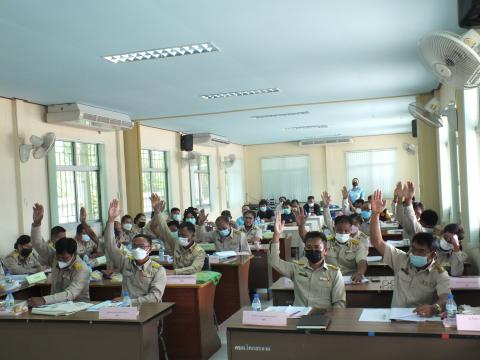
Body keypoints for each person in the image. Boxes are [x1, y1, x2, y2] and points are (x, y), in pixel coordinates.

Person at [370, 190, 450, 317]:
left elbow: (445, 298)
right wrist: (375, 214)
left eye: (421, 251)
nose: (415, 253)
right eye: (413, 249)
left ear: (433, 255)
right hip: (396, 317)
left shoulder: (439, 274)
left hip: (421, 319)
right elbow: (377, 242)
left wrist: (434, 308)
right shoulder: (401, 258)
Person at [269, 214, 345, 308]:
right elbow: (274, 261)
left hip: (323, 317)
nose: (312, 250)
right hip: (298, 316)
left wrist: (330, 319)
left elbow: (339, 303)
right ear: (305, 249)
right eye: (309, 247)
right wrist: (276, 235)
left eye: (317, 247)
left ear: (325, 251)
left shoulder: (334, 273)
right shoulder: (296, 268)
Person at [104, 199, 167, 305]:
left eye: (142, 246)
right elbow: (110, 246)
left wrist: (129, 302)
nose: (137, 249)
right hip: (125, 309)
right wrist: (110, 220)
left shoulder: (158, 270)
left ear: (150, 249)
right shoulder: (125, 262)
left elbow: (155, 297)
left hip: (148, 310)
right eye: (134, 246)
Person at [28, 203, 90, 307]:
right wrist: (36, 223)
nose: (60, 260)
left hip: (77, 307)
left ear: (73, 255)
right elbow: (38, 244)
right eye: (59, 257)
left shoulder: (82, 269)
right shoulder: (55, 257)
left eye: (65, 258)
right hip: (53, 306)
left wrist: (43, 300)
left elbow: (70, 294)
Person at [315, 191, 367, 281]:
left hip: (351, 279)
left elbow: (362, 261)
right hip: (329, 279)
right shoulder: (326, 243)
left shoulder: (358, 245)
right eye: (339, 230)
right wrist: (326, 207)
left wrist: (360, 273)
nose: (343, 233)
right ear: (334, 229)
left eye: (346, 231)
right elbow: (328, 220)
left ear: (350, 230)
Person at [150, 194, 206, 275]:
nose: (181, 238)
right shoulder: (176, 243)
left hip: (192, 280)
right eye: (179, 235)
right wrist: (157, 211)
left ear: (193, 236)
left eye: (184, 236)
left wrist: (174, 272)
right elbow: (164, 229)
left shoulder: (199, 251)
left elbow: (195, 268)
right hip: (176, 279)